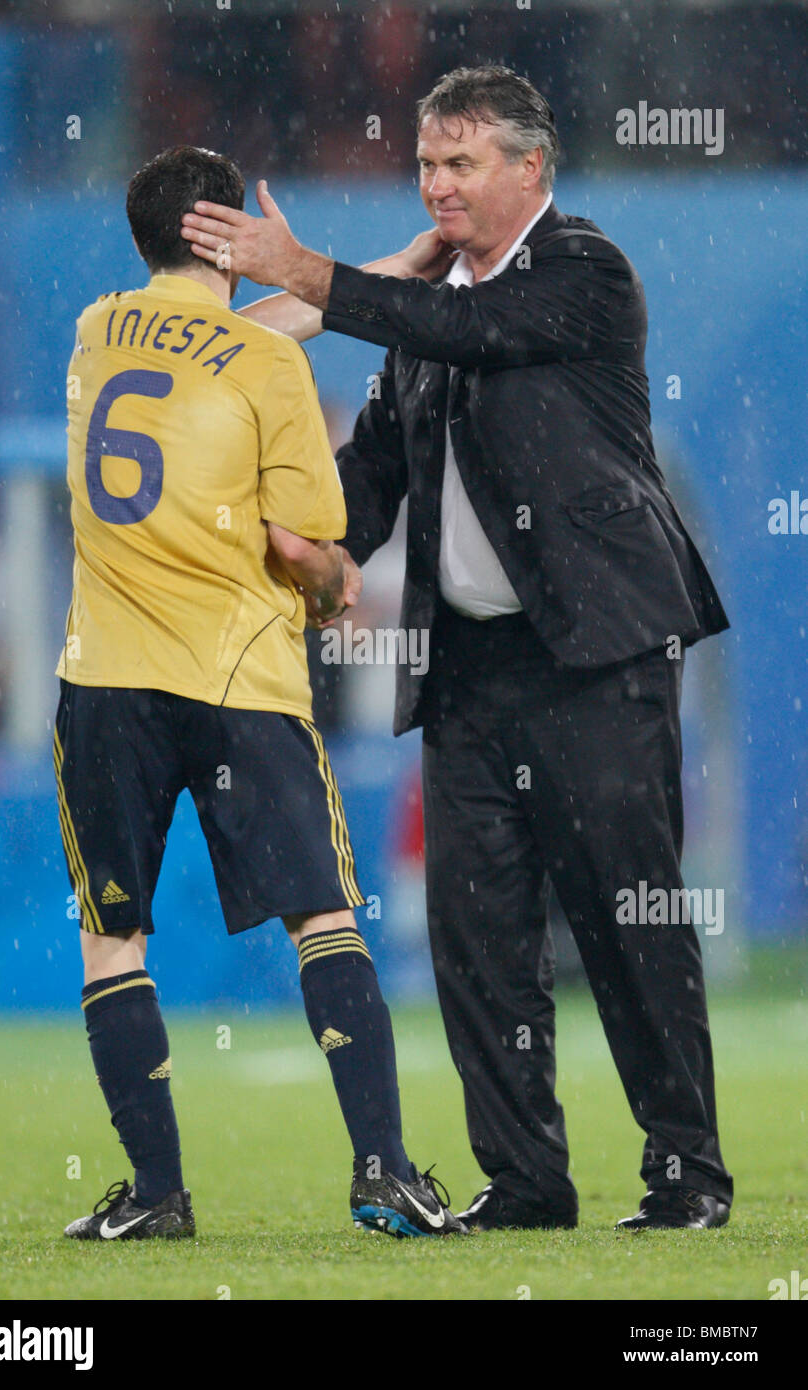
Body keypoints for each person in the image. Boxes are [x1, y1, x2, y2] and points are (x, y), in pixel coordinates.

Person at [181, 65, 734, 1232]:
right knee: (475, 937)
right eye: (426, 163)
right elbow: (370, 481)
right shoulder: (423, 326)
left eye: (461, 161)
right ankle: (527, 1181)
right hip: (469, 670)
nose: (436, 183)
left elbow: (465, 327)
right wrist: (300, 543)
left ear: (531, 167)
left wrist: (309, 280)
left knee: (624, 915)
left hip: (596, 654)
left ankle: (684, 1171)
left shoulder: (581, 270)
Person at [55, 144, 464, 1242]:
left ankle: (155, 1196)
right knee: (321, 918)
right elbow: (302, 546)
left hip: (104, 682)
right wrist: (336, 587)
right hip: (240, 681)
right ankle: (381, 1172)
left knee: (112, 938)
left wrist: (374, 273)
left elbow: (229, 342)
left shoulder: (97, 330)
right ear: (221, 234)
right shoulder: (268, 372)